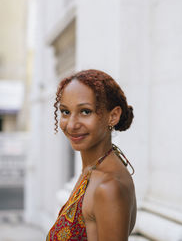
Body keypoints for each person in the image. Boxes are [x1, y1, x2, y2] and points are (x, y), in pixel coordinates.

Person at [46, 69, 137, 241]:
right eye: (65, 112)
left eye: (85, 112)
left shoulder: (108, 187)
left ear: (113, 116)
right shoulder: (93, 169)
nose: (72, 125)